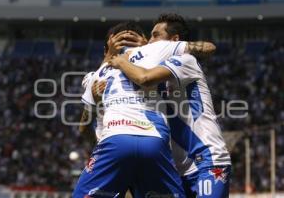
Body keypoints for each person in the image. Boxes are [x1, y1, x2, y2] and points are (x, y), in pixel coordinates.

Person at [108, 13, 231, 198]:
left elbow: (144, 78)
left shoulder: (185, 61)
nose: (150, 41)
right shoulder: (149, 66)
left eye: (155, 35)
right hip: (175, 169)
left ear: (174, 41)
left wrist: (121, 61)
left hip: (207, 159)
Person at [74, 21, 191, 198]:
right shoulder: (157, 65)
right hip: (154, 141)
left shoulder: (95, 77)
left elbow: (83, 127)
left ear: (107, 50)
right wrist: (148, 48)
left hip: (113, 146)